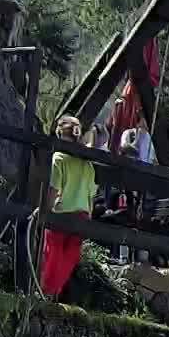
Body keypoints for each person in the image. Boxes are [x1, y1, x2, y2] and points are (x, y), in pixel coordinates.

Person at [40, 115, 96, 298]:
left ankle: (46, 290)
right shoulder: (88, 163)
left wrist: (44, 211)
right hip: (82, 215)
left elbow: (54, 189)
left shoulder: (59, 158)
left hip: (62, 211)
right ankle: (55, 290)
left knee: (53, 251)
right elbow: (91, 197)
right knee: (69, 256)